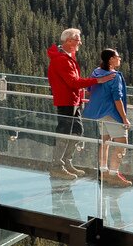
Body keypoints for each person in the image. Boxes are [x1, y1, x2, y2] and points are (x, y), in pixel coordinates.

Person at [45, 28, 111, 177]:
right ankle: (57, 166)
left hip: (73, 100)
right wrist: (97, 80)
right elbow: (73, 82)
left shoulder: (67, 57)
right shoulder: (62, 59)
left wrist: (83, 91)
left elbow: (72, 82)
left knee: (76, 131)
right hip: (66, 101)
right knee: (65, 132)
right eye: (77, 39)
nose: (80, 42)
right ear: (69, 41)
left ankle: (66, 162)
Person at [82, 48, 132, 184]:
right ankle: (113, 174)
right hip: (112, 114)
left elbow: (90, 90)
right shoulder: (114, 77)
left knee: (104, 141)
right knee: (122, 144)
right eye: (118, 56)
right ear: (111, 59)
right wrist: (124, 118)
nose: (119, 59)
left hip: (100, 113)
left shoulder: (96, 72)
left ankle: (103, 171)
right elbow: (118, 99)